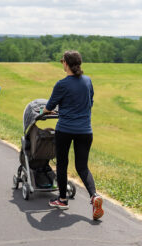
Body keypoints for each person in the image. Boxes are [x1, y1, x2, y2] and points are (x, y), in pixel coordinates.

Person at [43, 50, 104, 220]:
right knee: (82, 167)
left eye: (62, 61)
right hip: (85, 130)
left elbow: (49, 107)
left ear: (66, 64)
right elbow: (90, 102)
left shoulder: (62, 84)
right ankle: (94, 196)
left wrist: (46, 111)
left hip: (65, 130)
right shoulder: (87, 81)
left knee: (62, 164)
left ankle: (62, 199)